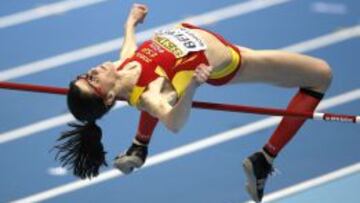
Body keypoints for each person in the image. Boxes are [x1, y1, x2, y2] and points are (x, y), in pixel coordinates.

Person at [53, 3, 332, 202]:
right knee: (320, 75)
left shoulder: (123, 65)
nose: (90, 72)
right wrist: (193, 86)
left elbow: (129, 48)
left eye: (83, 75)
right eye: (91, 81)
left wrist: (131, 22)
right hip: (237, 62)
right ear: (110, 96)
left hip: (223, 46)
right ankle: (265, 158)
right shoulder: (152, 95)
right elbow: (175, 123)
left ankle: (139, 146)